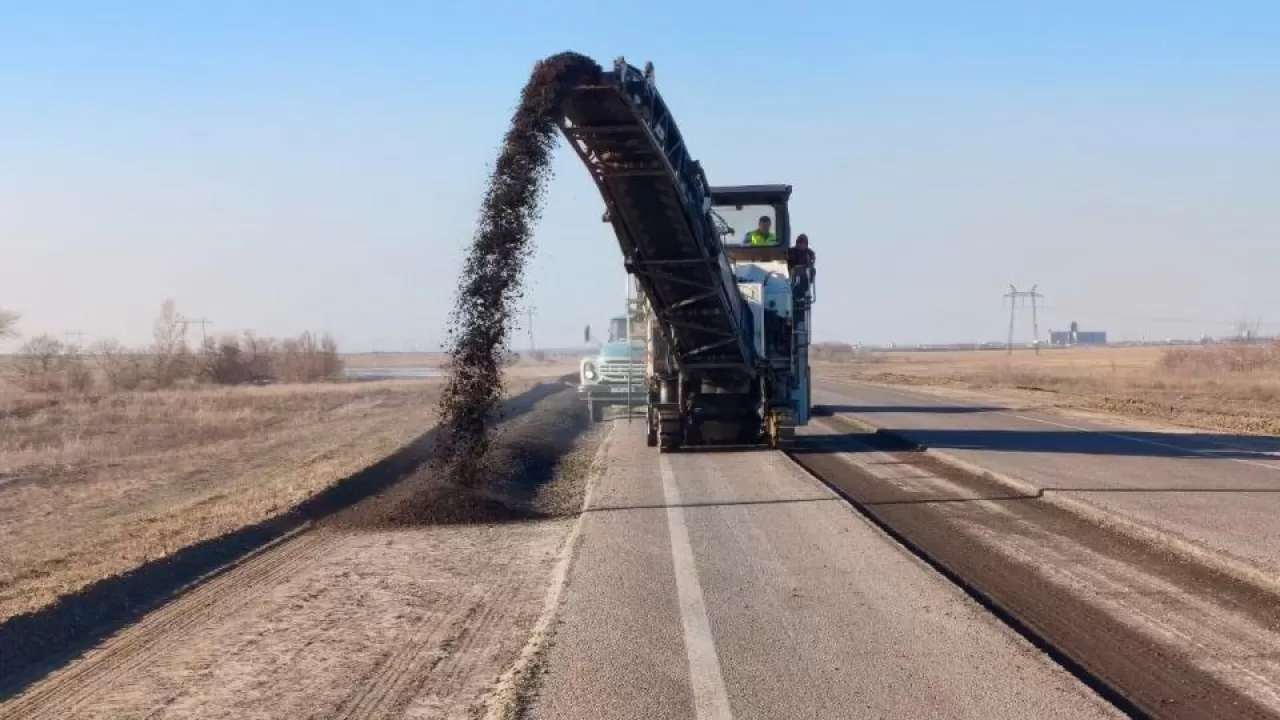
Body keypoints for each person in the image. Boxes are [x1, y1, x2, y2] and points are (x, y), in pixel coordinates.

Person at [789, 233, 815, 299]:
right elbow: (788, 262)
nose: (801, 245)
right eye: (800, 243)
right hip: (792, 272)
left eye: (804, 243)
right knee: (793, 273)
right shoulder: (791, 251)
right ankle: (791, 288)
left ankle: (805, 289)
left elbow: (811, 263)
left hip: (804, 272)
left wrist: (809, 263)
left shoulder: (809, 253)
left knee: (812, 271)